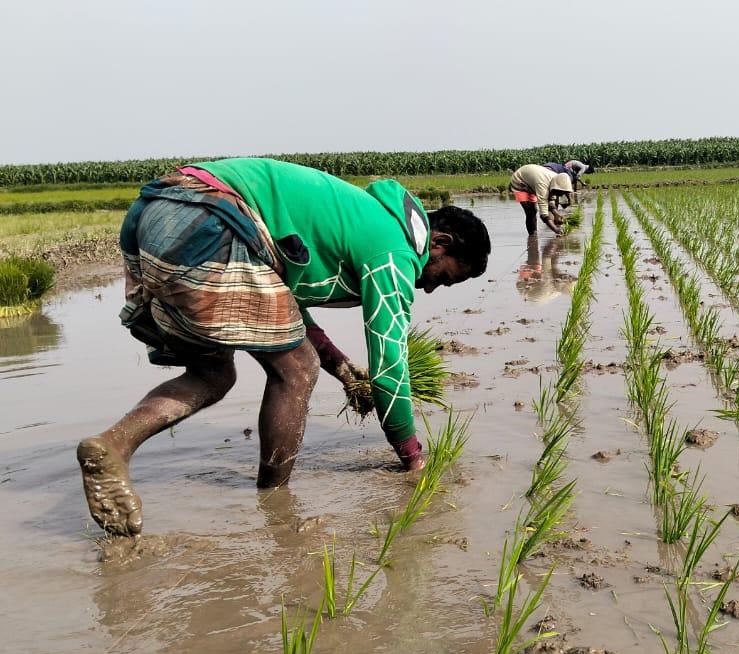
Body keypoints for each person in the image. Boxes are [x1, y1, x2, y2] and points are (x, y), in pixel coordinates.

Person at [77, 158, 491, 537]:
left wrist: (342, 368)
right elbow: (389, 364)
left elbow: (285, 309)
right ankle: (276, 507)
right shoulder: (395, 251)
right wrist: (412, 456)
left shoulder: (363, 218)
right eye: (444, 277)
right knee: (296, 369)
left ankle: (113, 446)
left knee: (213, 374)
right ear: (439, 242)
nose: (431, 287)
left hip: (158, 212)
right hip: (212, 218)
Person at [509, 164, 574, 236]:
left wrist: (556, 214)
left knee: (533, 210)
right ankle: (533, 235)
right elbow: (543, 214)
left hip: (532, 182)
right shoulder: (543, 185)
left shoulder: (557, 180)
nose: (561, 195)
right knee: (530, 211)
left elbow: (551, 199)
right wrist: (555, 229)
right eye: (561, 193)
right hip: (519, 182)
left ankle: (534, 234)